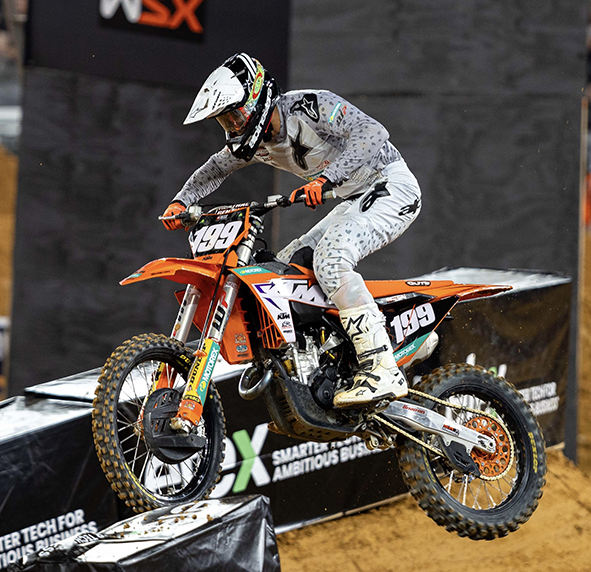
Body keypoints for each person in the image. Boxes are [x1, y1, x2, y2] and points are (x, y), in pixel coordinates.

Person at [163, 53, 420, 410]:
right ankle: (339, 363)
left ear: (257, 100)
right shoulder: (254, 143)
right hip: (354, 199)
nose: (233, 126)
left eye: (235, 115)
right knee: (287, 270)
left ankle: (380, 365)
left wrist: (328, 178)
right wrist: (181, 202)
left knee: (330, 259)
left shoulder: (309, 107)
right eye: (225, 120)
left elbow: (372, 132)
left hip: (391, 185)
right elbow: (215, 169)